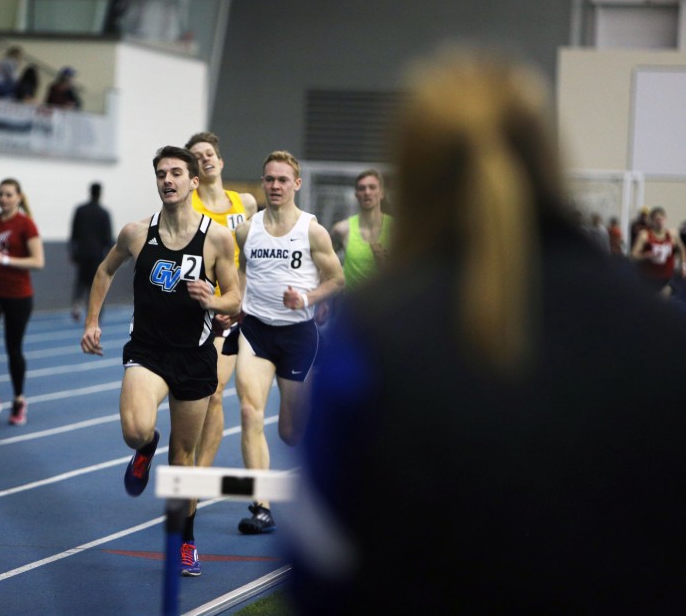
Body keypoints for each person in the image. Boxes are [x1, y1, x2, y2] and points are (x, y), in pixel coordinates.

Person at [289, 48, 686, 614]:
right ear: (548, 161)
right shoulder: (657, 333)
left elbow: (321, 566)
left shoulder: (376, 335)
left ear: (419, 171)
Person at [80, 145, 240, 577]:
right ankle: (146, 447)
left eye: (175, 173)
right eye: (160, 174)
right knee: (135, 430)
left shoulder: (218, 237)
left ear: (193, 181)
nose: (167, 180)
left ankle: (186, 539)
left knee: (183, 457)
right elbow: (104, 271)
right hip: (148, 351)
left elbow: (236, 298)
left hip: (195, 356)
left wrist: (214, 299)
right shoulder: (137, 233)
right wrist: (92, 320)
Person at [231, 150, 344, 534]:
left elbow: (337, 280)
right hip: (256, 331)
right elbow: (242, 272)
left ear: (296, 184)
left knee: (292, 433)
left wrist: (308, 299)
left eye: (282, 180)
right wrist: (238, 304)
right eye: (269, 179)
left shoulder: (312, 230)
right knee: (249, 412)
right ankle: (261, 506)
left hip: (298, 335)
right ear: (262, 183)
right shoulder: (247, 230)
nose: (275, 186)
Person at [185, 131, 257, 470]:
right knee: (188, 396)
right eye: (198, 155)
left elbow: (253, 257)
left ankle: (199, 477)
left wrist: (236, 300)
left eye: (210, 152)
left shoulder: (246, 203)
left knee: (215, 393)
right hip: (193, 311)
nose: (206, 157)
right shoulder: (187, 206)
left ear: (220, 159)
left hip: (231, 311)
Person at [0, 178, 44, 426]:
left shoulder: (27, 225)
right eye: (0, 194)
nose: (3, 199)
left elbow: (38, 262)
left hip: (18, 294)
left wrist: (6, 260)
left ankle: (18, 400)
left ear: (18, 197)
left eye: (8, 195)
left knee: (12, 348)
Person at [330, 169, 393, 292]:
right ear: (356, 194)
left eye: (372, 187)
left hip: (389, 304)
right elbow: (323, 265)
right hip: (353, 306)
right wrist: (323, 300)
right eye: (362, 188)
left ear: (382, 193)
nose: (367, 192)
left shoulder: (396, 228)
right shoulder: (342, 229)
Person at [68, 182, 113, 322]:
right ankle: (95, 312)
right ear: (100, 194)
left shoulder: (80, 210)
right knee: (96, 284)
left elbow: (74, 233)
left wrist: (72, 252)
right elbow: (108, 238)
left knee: (81, 281)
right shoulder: (104, 213)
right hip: (97, 255)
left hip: (82, 253)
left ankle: (77, 305)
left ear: (90, 192)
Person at [629, 206, 686, 295]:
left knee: (664, 300)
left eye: (662, 219)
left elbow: (682, 250)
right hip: (648, 278)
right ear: (651, 220)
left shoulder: (672, 234)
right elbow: (633, 256)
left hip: (667, 278)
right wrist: (646, 255)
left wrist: (684, 267)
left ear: (665, 219)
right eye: (657, 219)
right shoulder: (644, 235)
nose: (660, 222)